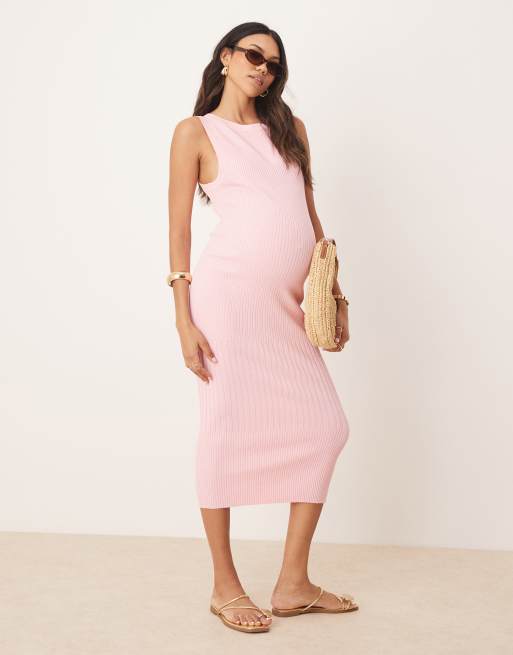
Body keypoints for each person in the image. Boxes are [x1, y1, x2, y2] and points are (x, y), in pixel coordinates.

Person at [167, 22, 358, 634]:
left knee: (326, 428)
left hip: (288, 307)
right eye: (253, 56)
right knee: (223, 431)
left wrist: (331, 290)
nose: (263, 69)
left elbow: (308, 216)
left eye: (274, 64)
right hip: (227, 303)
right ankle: (224, 585)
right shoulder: (196, 132)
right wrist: (183, 319)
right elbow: (179, 231)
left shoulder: (290, 129)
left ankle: (293, 582)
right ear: (225, 58)